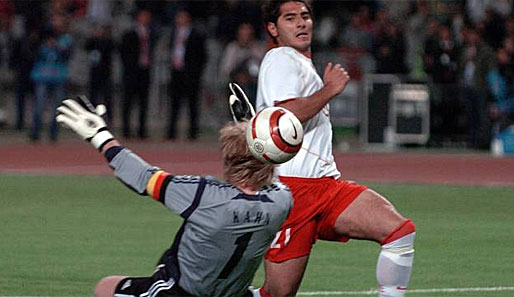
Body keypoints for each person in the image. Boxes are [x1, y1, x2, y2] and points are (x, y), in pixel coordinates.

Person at [254, 1, 415, 297]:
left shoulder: (300, 63)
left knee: (399, 231)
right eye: (290, 19)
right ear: (273, 28)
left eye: (305, 16)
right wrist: (330, 90)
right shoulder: (280, 58)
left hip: (326, 186)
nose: (302, 23)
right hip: (293, 191)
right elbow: (285, 117)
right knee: (277, 294)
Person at [55, 97, 293, 297]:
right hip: (234, 294)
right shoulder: (282, 201)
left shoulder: (203, 195)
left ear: (229, 159)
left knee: (105, 288)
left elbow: (142, 177)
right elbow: (268, 175)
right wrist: (252, 128)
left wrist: (99, 135)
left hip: (181, 292)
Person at [29, 15, 72, 141]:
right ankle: (35, 132)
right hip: (42, 75)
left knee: (56, 107)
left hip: (58, 76)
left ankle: (53, 133)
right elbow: (32, 52)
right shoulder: (41, 38)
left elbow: (68, 55)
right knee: (39, 105)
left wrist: (58, 47)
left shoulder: (66, 39)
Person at [167, 8, 207, 140]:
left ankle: (192, 133)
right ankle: (171, 132)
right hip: (176, 73)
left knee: (192, 105)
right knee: (174, 104)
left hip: (190, 75)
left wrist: (196, 72)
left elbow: (202, 56)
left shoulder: (197, 35)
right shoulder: (173, 33)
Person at [119, 9, 155, 139]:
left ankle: (142, 130)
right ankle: (126, 129)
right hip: (132, 72)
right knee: (128, 101)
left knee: (143, 102)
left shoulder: (151, 34)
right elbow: (123, 52)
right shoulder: (129, 33)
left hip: (145, 70)